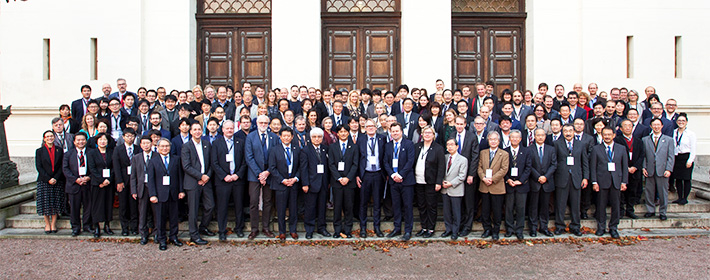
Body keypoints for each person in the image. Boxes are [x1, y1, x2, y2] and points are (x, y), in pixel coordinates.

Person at [591, 127, 629, 239]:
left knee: (616, 205)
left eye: (609, 134)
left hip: (616, 181)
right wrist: (594, 182)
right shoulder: (596, 149)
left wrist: (624, 182)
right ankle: (601, 227)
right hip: (602, 181)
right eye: (604, 134)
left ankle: (613, 227)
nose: (607, 136)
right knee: (601, 205)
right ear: (601, 135)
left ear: (614, 135)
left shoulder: (621, 149)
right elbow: (593, 167)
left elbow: (624, 166)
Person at [148, 138, 185, 250]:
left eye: (167, 146)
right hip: (159, 195)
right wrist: (152, 194)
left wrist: (181, 190)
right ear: (158, 148)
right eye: (162, 146)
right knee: (160, 219)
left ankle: (174, 237)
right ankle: (162, 239)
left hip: (173, 193)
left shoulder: (176, 159)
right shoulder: (153, 161)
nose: (165, 148)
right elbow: (151, 179)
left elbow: (180, 176)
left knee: (174, 217)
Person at [245, 115, 278, 239]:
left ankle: (266, 227)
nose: (263, 124)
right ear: (257, 123)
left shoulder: (274, 137)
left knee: (267, 201)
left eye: (265, 122)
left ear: (268, 124)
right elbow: (249, 157)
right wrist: (260, 174)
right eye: (261, 122)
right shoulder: (250, 136)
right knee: (253, 201)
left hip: (269, 173)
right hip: (254, 174)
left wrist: (268, 172)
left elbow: (276, 156)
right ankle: (254, 229)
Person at [181, 121, 214, 245]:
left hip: (206, 181)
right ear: (190, 132)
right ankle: (194, 235)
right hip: (193, 182)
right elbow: (186, 166)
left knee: (210, 206)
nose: (197, 132)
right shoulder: (186, 146)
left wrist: (207, 177)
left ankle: (203, 227)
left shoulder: (206, 144)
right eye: (194, 130)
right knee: (193, 210)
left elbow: (211, 163)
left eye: (199, 129)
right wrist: (200, 176)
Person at [553, 124, 589, 236]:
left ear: (574, 132)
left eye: (570, 130)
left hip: (576, 178)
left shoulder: (581, 145)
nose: (568, 133)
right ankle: (559, 226)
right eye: (565, 131)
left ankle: (575, 226)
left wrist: (585, 177)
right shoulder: (557, 144)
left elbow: (584, 162)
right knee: (560, 204)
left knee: (575, 204)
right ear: (562, 132)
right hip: (561, 178)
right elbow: (554, 162)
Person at [383, 123, 416, 241]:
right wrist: (392, 175)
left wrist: (401, 174)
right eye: (393, 131)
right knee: (395, 206)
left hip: (406, 181)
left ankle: (408, 230)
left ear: (401, 132)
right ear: (390, 133)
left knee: (407, 206)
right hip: (393, 181)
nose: (395, 133)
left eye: (397, 131)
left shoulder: (409, 144)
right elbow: (385, 162)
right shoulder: (387, 146)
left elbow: (410, 161)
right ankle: (397, 228)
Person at [268, 127, 301, 241]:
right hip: (280, 184)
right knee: (281, 209)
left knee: (293, 208)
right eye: (284, 136)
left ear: (292, 137)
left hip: (293, 183)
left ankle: (293, 230)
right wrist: (282, 180)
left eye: (288, 136)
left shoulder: (297, 149)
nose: (286, 138)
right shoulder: (274, 150)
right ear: (280, 137)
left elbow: (301, 166)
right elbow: (272, 167)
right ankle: (282, 231)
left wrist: (295, 178)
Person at [413, 126, 445, 238]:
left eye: (429, 133)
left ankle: (431, 229)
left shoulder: (438, 148)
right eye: (425, 132)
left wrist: (439, 182)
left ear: (433, 135)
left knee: (431, 206)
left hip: (431, 182)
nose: (427, 134)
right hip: (418, 181)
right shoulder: (417, 146)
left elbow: (441, 166)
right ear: (421, 134)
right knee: (421, 205)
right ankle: (424, 227)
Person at [356, 119, 386, 238]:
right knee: (363, 202)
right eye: (368, 126)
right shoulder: (361, 139)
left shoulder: (382, 138)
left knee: (377, 202)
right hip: (365, 174)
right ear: (365, 128)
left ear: (376, 127)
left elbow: (385, 156)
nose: (370, 128)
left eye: (372, 126)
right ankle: (363, 228)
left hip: (378, 174)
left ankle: (377, 227)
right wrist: (357, 175)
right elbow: (357, 158)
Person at [299, 127, 331, 239]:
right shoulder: (305, 150)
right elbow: (303, 168)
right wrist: (305, 184)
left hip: (323, 183)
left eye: (319, 137)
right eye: (314, 137)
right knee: (310, 207)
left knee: (322, 207)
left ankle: (322, 228)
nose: (317, 139)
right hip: (311, 184)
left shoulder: (325, 149)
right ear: (310, 138)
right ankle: (309, 229)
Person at [328, 125, 359, 239]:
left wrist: (348, 178)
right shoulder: (332, 147)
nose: (343, 134)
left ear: (348, 133)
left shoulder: (354, 147)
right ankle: (337, 230)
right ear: (338, 134)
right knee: (337, 207)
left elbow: (355, 164)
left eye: (345, 132)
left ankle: (347, 230)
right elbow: (330, 164)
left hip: (349, 182)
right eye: (341, 132)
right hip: (337, 182)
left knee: (348, 207)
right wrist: (339, 178)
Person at [477, 131, 509, 240]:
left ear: (499, 141)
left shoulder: (504, 154)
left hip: (497, 186)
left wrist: (492, 179)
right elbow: (479, 167)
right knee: (485, 210)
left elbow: (504, 169)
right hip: (484, 186)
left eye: (495, 139)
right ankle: (487, 229)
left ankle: (496, 230)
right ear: (488, 140)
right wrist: (484, 178)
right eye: (491, 139)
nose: (493, 141)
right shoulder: (483, 153)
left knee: (497, 211)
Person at [642, 118, 675, 220]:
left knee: (663, 192)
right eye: (654, 125)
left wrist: (668, 169)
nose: (656, 127)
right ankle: (650, 210)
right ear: (651, 126)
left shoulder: (669, 140)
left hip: (663, 169)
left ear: (662, 126)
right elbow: (643, 155)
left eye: (658, 125)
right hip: (650, 169)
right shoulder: (645, 140)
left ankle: (663, 211)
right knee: (649, 191)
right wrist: (644, 167)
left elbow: (671, 156)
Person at [130, 136, 158, 245]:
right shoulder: (136, 158)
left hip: (154, 188)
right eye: (144, 143)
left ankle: (156, 233)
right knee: (143, 212)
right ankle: (143, 234)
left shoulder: (156, 156)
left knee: (156, 212)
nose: (146, 145)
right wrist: (133, 190)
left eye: (148, 143)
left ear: (152, 144)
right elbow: (133, 176)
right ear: (140, 145)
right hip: (142, 187)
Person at [62, 132, 92, 236]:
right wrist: (76, 179)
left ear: (86, 140)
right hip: (74, 185)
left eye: (83, 139)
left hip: (88, 184)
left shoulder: (91, 152)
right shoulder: (68, 154)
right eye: (78, 140)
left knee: (88, 206)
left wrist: (89, 177)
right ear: (74, 142)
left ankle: (87, 225)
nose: (81, 142)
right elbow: (65, 169)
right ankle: (75, 227)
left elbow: (95, 167)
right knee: (74, 208)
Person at [528, 128, 557, 237]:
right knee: (533, 206)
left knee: (545, 206)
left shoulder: (551, 149)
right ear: (534, 136)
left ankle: (544, 227)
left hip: (547, 182)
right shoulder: (529, 149)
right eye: (538, 135)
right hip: (534, 182)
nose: (540, 137)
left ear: (545, 136)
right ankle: (533, 228)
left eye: (542, 135)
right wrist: (538, 176)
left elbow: (554, 164)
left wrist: (545, 176)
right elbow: (529, 165)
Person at [503, 130, 531, 240]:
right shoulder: (505, 152)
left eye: (517, 137)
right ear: (509, 139)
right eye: (512, 137)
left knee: (521, 208)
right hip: (509, 184)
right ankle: (509, 229)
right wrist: (508, 179)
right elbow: (503, 168)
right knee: (508, 208)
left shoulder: (526, 151)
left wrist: (521, 180)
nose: (514, 139)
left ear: (520, 139)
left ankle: (519, 230)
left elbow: (528, 167)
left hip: (521, 185)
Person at [36, 130, 65, 234]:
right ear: (44, 138)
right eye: (47, 136)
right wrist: (48, 178)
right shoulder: (39, 151)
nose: (50, 138)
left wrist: (55, 178)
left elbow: (61, 165)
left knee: (55, 203)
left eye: (51, 136)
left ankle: (53, 223)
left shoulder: (59, 150)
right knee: (45, 203)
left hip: (57, 180)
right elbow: (39, 166)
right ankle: (47, 224)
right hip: (44, 180)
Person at [87, 133, 115, 238]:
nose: (102, 141)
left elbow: (114, 167)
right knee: (97, 205)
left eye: (105, 139)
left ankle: (107, 225)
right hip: (97, 183)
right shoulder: (92, 153)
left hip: (109, 183)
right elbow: (92, 168)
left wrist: (108, 180)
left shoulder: (111, 152)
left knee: (108, 204)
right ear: (97, 141)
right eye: (100, 139)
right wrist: (101, 181)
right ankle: (97, 227)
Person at [615, 119, 644, 219]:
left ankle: (630, 210)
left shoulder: (638, 141)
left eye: (630, 126)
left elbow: (641, 155)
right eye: (625, 126)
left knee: (633, 191)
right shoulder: (617, 140)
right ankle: (621, 211)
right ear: (621, 129)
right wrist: (626, 167)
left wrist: (635, 167)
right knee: (621, 192)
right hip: (622, 170)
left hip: (635, 170)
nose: (628, 128)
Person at [112, 128, 139, 236]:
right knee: (123, 205)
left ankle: (133, 227)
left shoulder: (138, 149)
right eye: (127, 136)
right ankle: (124, 228)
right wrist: (119, 181)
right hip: (123, 180)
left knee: (134, 205)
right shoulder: (118, 149)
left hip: (135, 181)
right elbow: (116, 166)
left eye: (132, 136)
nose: (130, 138)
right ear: (123, 137)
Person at [440, 139, 467, 240]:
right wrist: (442, 181)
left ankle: (455, 231)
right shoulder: (445, 158)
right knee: (446, 211)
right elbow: (441, 170)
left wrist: (451, 183)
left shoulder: (463, 160)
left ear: (457, 146)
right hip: (444, 189)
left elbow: (462, 176)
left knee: (456, 212)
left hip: (455, 189)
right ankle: (448, 229)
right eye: (448, 145)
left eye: (452, 145)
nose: (450, 147)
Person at [672, 113, 695, 205]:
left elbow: (693, 148)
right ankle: (679, 197)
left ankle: (685, 198)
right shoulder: (674, 132)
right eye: (679, 120)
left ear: (686, 122)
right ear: (676, 122)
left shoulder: (690, 134)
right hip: (676, 157)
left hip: (686, 157)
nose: (681, 122)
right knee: (678, 178)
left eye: (683, 121)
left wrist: (690, 160)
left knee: (686, 178)